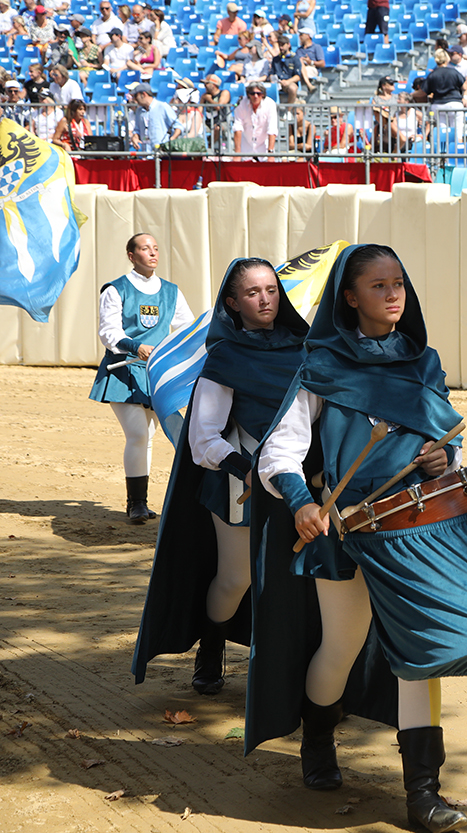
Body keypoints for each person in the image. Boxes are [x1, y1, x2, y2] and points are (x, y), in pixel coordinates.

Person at [248, 244, 467, 833]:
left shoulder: (422, 361)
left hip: (415, 530)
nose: (393, 294)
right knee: (341, 646)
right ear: (350, 297)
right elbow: (278, 451)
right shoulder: (320, 364)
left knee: (421, 654)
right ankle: (317, 740)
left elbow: (447, 435)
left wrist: (442, 457)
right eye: (379, 285)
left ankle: (423, 793)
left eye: (399, 284)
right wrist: (304, 501)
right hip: (347, 530)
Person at [132, 258, 308, 697]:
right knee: (235, 579)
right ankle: (211, 647)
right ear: (232, 302)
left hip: (300, 479)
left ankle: (295, 668)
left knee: (302, 577)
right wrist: (244, 470)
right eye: (252, 293)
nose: (265, 299)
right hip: (238, 481)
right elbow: (203, 437)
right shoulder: (225, 355)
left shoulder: (307, 347)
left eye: (271, 289)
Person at [88, 233, 195, 524]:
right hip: (123, 370)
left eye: (156, 248)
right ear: (131, 255)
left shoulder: (172, 291)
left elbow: (185, 326)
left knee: (148, 437)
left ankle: (141, 503)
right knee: (138, 434)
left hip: (155, 374)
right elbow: (109, 332)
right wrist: (136, 346)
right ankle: (135, 504)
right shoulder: (116, 289)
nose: (152, 253)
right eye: (145, 249)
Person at [425, 47, 467, 143]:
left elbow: (425, 90)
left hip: (438, 105)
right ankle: (457, 155)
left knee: (443, 132)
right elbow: (465, 87)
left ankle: (444, 156)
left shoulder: (433, 74)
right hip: (454, 103)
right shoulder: (453, 71)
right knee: (457, 133)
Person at [129, 81, 181, 151]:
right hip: (146, 153)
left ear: (143, 94)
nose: (134, 99)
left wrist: (170, 141)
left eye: (135, 96)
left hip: (162, 153)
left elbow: (178, 127)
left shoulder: (163, 107)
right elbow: (137, 130)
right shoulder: (139, 111)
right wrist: (135, 137)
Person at [232, 81, 278, 159]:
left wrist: (271, 154)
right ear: (248, 94)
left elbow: (272, 129)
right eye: (252, 93)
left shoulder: (270, 104)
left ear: (263, 94)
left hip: (264, 147)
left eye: (258, 93)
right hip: (246, 147)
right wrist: (237, 152)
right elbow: (237, 127)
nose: (256, 96)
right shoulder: (241, 103)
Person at [201, 74, 231, 152]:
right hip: (208, 123)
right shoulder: (205, 96)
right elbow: (199, 111)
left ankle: (209, 147)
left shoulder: (224, 93)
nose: (205, 86)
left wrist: (209, 100)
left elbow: (219, 106)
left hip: (222, 122)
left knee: (217, 127)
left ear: (213, 85)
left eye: (207, 84)